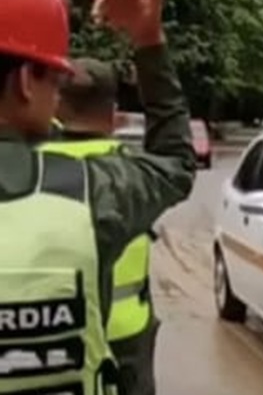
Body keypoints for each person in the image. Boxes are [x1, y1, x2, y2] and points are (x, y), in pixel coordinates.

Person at [0, 0, 196, 395]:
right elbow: (175, 163)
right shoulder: (92, 194)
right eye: (54, 79)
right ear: (27, 82)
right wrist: (149, 42)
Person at [42, 58, 160, 395]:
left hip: (57, 332)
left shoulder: (32, 169)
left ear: (57, 104)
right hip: (126, 334)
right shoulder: (135, 176)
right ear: (113, 115)